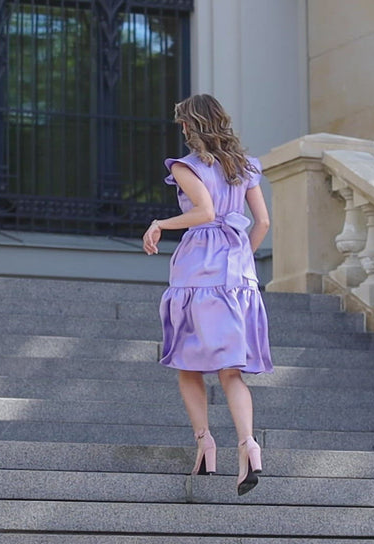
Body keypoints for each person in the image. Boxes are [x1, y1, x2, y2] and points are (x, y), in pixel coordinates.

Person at [142, 94, 273, 496]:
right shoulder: (245, 166)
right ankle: (248, 446)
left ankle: (205, 444)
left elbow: (204, 213)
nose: (181, 129)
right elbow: (262, 222)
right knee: (231, 371)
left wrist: (159, 223)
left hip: (198, 269)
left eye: (182, 123)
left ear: (190, 125)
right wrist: (241, 260)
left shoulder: (185, 166)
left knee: (188, 362)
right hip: (237, 274)